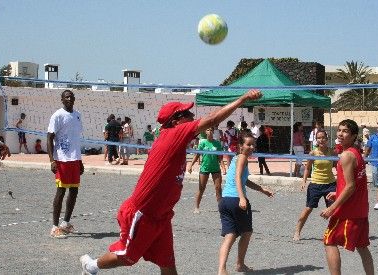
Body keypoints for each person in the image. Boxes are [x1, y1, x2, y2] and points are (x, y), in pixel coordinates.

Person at [80, 89, 263, 275]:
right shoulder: (174, 134)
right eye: (187, 114)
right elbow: (213, 118)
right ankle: (91, 266)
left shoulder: (174, 138)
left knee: (167, 265)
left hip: (161, 216)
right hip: (143, 214)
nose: (192, 116)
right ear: (176, 121)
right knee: (127, 257)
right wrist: (243, 99)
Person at [320, 119, 374, 275]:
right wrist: (338, 192)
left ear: (354, 136)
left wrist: (332, 207)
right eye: (339, 130)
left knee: (329, 242)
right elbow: (354, 182)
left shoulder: (347, 155)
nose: (340, 133)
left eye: (345, 131)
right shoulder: (356, 152)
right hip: (360, 209)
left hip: (348, 211)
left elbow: (351, 186)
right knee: (362, 247)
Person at [218, 132, 274, 275]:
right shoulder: (242, 157)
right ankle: (240, 264)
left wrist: (262, 189)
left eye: (253, 144)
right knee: (247, 232)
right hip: (236, 200)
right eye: (248, 144)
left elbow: (245, 180)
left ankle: (222, 269)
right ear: (240, 146)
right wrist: (242, 198)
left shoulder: (237, 158)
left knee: (230, 235)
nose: (251, 147)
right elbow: (237, 177)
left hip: (225, 200)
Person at [47, 90, 84, 238]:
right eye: (66, 96)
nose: (69, 98)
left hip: (74, 159)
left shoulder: (77, 115)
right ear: (62, 100)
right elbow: (49, 138)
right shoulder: (57, 115)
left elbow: (75, 140)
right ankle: (54, 227)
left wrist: (80, 161)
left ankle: (65, 223)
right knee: (61, 191)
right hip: (61, 159)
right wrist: (51, 160)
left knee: (74, 192)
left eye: (71, 96)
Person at [293, 130, 336, 241]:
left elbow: (338, 167)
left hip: (330, 184)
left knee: (334, 210)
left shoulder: (332, 152)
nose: (321, 140)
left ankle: (333, 234)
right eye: (319, 138)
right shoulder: (313, 153)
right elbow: (307, 168)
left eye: (323, 138)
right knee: (308, 209)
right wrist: (304, 181)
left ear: (327, 139)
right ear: (316, 140)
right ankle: (297, 231)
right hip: (316, 184)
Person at [187, 127, 223, 213]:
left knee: (218, 188)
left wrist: (224, 167)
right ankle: (196, 207)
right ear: (205, 132)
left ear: (213, 132)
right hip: (205, 168)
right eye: (208, 130)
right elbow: (197, 155)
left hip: (216, 168)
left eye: (211, 130)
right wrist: (191, 165)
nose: (210, 131)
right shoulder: (202, 143)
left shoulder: (217, 143)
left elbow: (220, 157)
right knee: (201, 188)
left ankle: (221, 208)